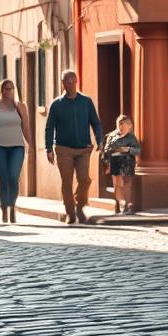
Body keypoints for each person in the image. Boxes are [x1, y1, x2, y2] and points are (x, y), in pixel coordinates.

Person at [44, 70, 103, 224]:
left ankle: (80, 206)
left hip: (83, 148)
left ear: (77, 81)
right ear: (62, 83)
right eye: (66, 82)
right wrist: (49, 149)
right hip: (63, 149)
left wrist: (100, 140)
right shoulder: (56, 104)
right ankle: (70, 212)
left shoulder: (86, 101)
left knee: (84, 179)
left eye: (72, 81)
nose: (70, 84)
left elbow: (95, 122)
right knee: (67, 182)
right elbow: (49, 127)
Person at [0, 79, 31, 223]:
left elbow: (26, 128)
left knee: (13, 177)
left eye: (10, 89)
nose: (7, 91)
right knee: (4, 179)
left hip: (17, 147)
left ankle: (12, 206)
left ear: (14, 90)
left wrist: (31, 146)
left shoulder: (20, 107)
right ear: (0, 90)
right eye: (4, 89)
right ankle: (4, 208)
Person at [101, 115, 141, 215]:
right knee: (117, 184)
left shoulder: (132, 138)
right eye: (120, 124)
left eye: (124, 124)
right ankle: (117, 204)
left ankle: (127, 205)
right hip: (115, 161)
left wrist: (128, 149)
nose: (121, 127)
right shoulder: (111, 136)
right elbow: (105, 150)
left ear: (130, 126)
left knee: (126, 184)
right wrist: (107, 162)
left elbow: (138, 150)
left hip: (127, 162)